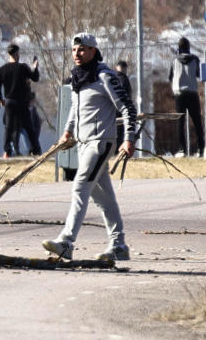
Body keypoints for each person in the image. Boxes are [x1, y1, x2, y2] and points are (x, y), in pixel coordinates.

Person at [42, 33, 136, 262]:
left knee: (80, 187)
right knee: (103, 197)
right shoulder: (78, 78)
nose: (77, 54)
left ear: (94, 51)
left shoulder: (105, 76)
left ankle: (66, 242)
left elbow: (127, 108)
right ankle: (119, 245)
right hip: (84, 143)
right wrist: (67, 132)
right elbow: (75, 110)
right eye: (74, 50)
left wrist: (129, 138)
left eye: (82, 49)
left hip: (101, 141)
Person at [0, 43, 41, 157]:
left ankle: (7, 150)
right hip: (22, 102)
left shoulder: (2, 69)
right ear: (16, 54)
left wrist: (0, 99)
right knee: (28, 126)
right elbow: (35, 78)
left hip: (9, 101)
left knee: (9, 127)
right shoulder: (23, 67)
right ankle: (35, 149)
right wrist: (35, 67)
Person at [168, 37, 203, 157]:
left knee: (180, 123)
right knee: (197, 122)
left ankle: (182, 150)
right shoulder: (195, 59)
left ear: (179, 48)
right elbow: (199, 75)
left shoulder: (174, 61)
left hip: (179, 94)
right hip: (192, 93)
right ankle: (200, 149)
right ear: (188, 47)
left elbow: (170, 77)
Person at [114, 61, 133, 149]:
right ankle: (119, 149)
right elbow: (126, 95)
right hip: (122, 109)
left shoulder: (112, 78)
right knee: (121, 130)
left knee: (116, 131)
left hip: (114, 109)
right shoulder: (124, 78)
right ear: (125, 68)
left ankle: (116, 149)